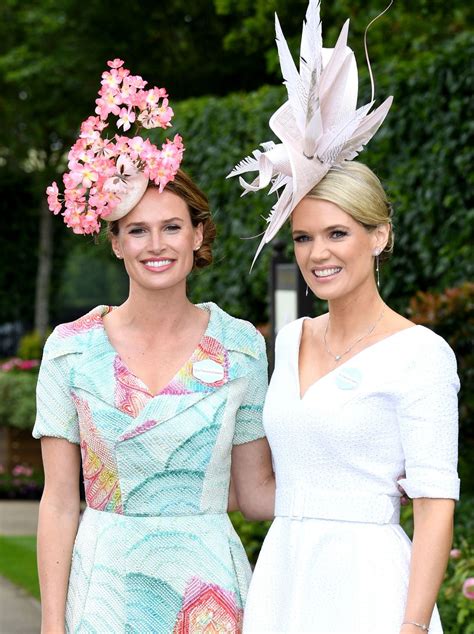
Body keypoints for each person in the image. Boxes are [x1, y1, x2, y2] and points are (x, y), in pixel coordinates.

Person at [228, 3, 460, 633]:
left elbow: (436, 506)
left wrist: (411, 626)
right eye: (303, 238)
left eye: (337, 233)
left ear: (379, 236)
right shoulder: (290, 339)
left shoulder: (423, 354)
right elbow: (258, 485)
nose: (318, 254)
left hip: (372, 589)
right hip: (282, 579)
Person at [34, 60, 274, 633]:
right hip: (104, 594)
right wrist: (50, 622)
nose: (156, 245)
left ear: (197, 234)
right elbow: (61, 502)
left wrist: (369, 478)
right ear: (114, 242)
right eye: (137, 230)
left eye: (171, 226)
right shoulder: (70, 351)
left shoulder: (242, 347)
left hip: (208, 592)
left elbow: (256, 493)